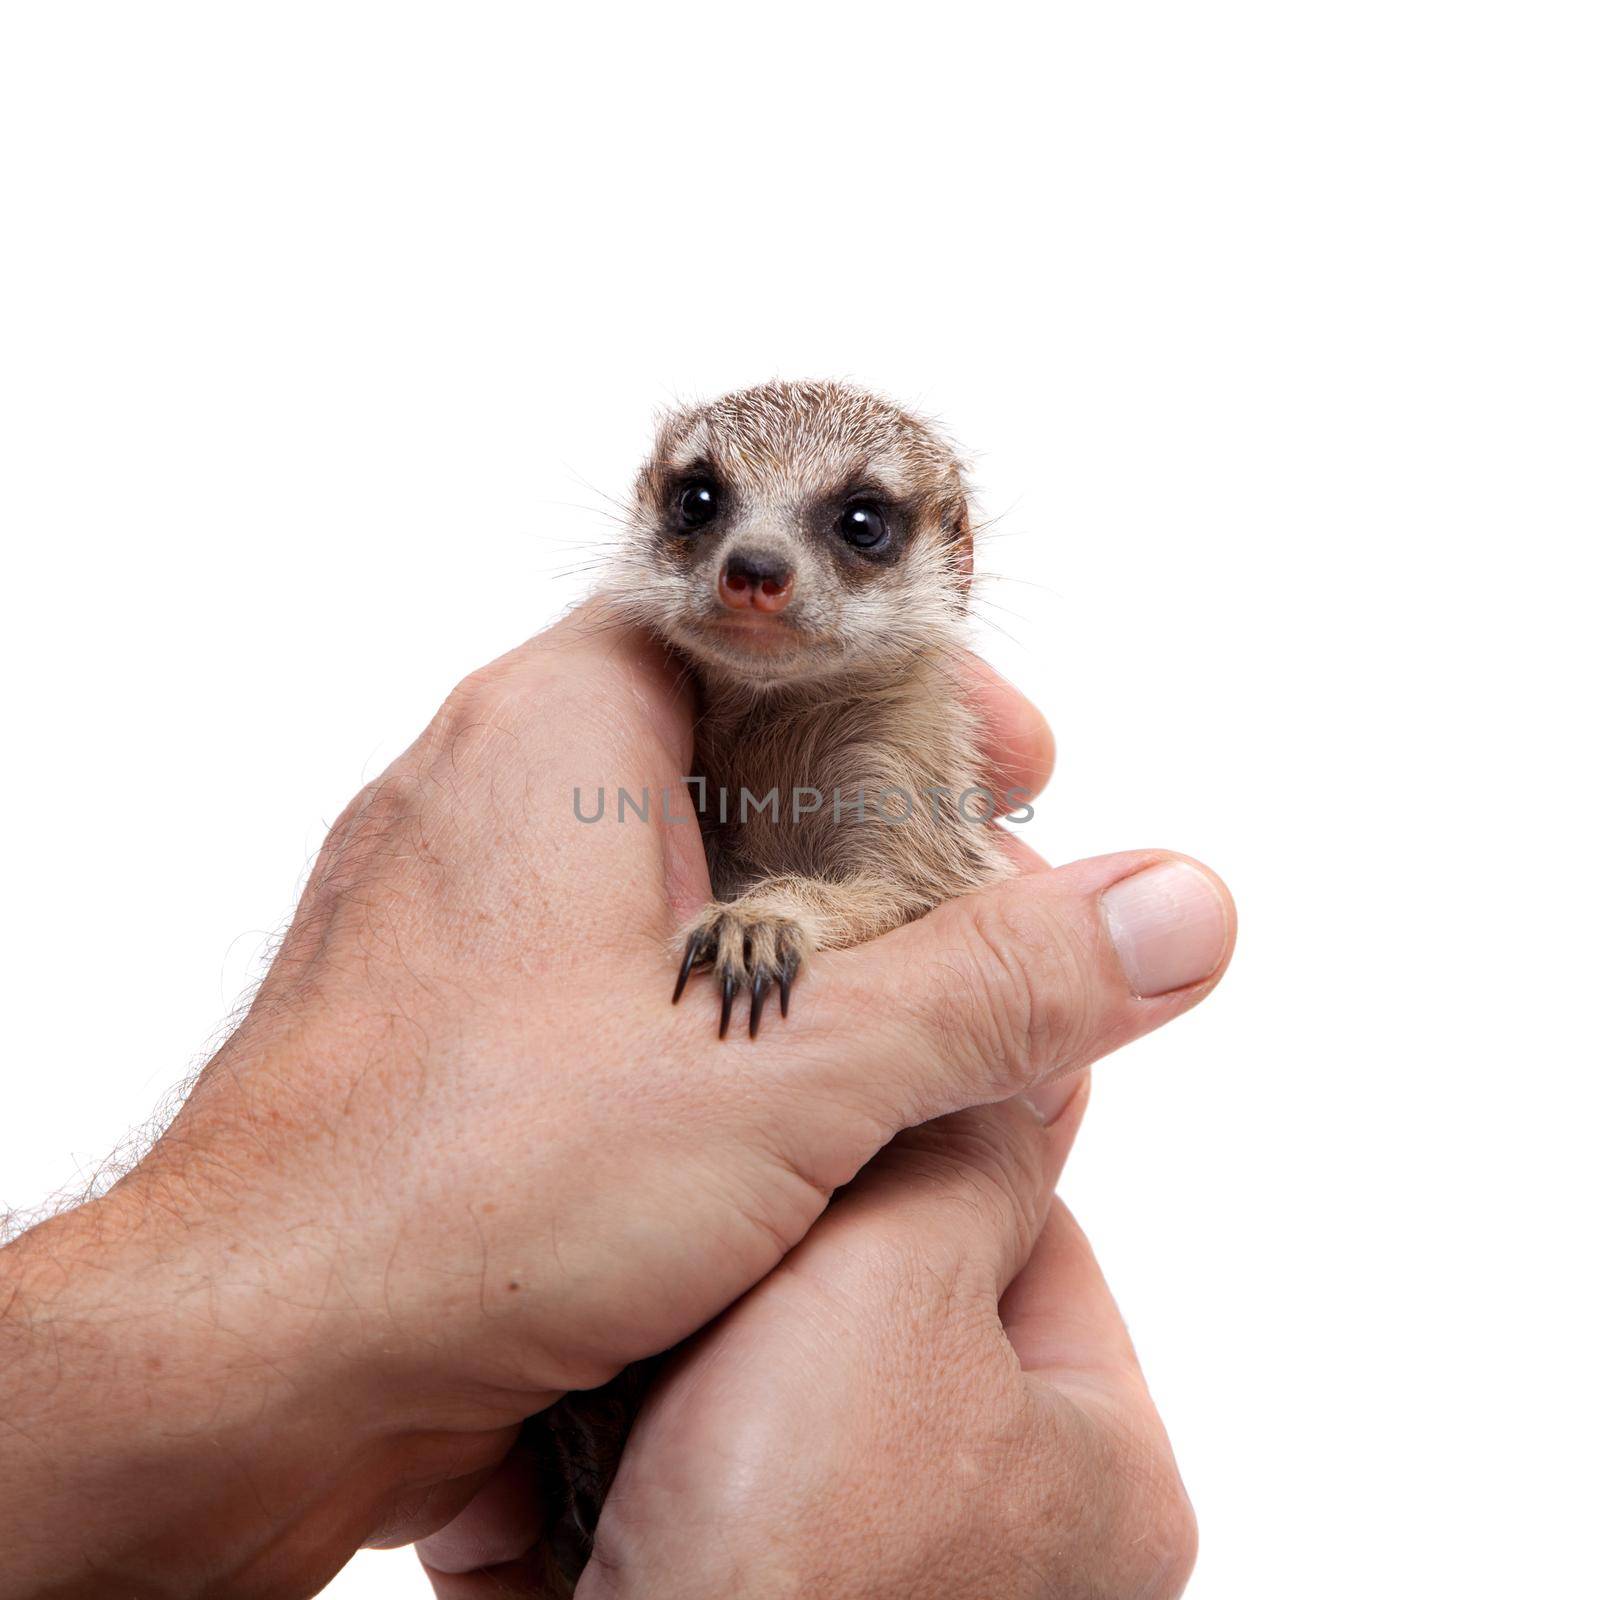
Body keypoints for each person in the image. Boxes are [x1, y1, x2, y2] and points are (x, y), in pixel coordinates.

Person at [0, 605, 1235, 1598]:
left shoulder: (900, 729)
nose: (758, 564)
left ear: (946, 560)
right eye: (704, 507)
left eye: (854, 530)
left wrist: (795, 917)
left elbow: (906, 902)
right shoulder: (612, 740)